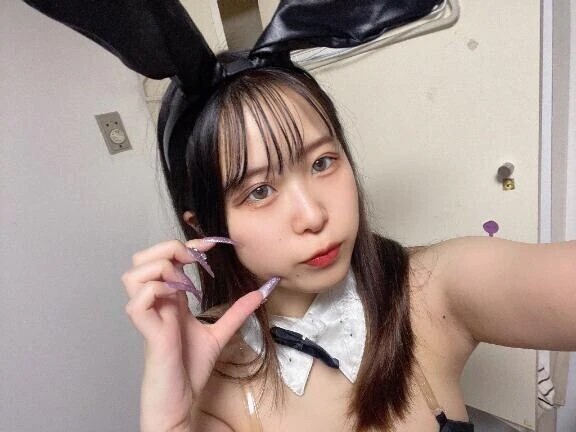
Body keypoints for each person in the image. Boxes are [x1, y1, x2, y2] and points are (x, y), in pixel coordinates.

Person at [19, 1, 576, 431]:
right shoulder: (213, 384)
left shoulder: (432, 290)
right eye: (259, 191)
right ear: (204, 229)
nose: (313, 215)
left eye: (322, 162)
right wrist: (168, 423)